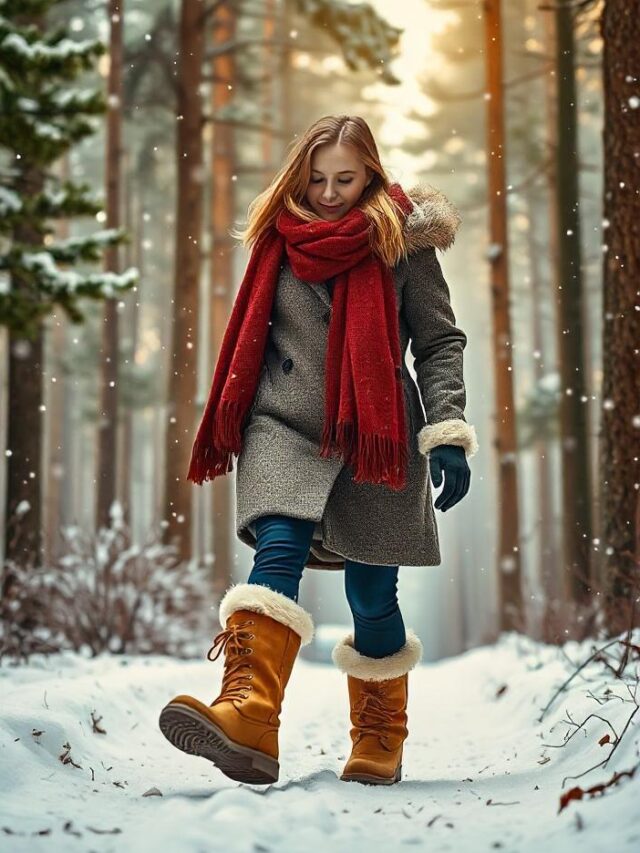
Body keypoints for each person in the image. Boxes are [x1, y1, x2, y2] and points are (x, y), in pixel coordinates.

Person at [159, 115, 478, 787]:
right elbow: (250, 339)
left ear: (371, 174)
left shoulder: (402, 239)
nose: (329, 193)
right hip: (282, 422)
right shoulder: (276, 237)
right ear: (299, 170)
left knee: (371, 595)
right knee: (277, 547)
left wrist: (447, 431)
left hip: (375, 431)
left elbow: (440, 342)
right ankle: (249, 714)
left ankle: (379, 732)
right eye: (317, 177)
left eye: (346, 179)